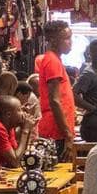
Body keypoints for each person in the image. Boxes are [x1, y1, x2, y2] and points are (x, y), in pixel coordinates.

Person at [36, 21, 77, 159]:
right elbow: (54, 101)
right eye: (66, 38)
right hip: (56, 132)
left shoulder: (54, 60)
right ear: (53, 40)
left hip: (57, 130)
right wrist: (68, 135)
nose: (70, 42)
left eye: (70, 37)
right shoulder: (52, 61)